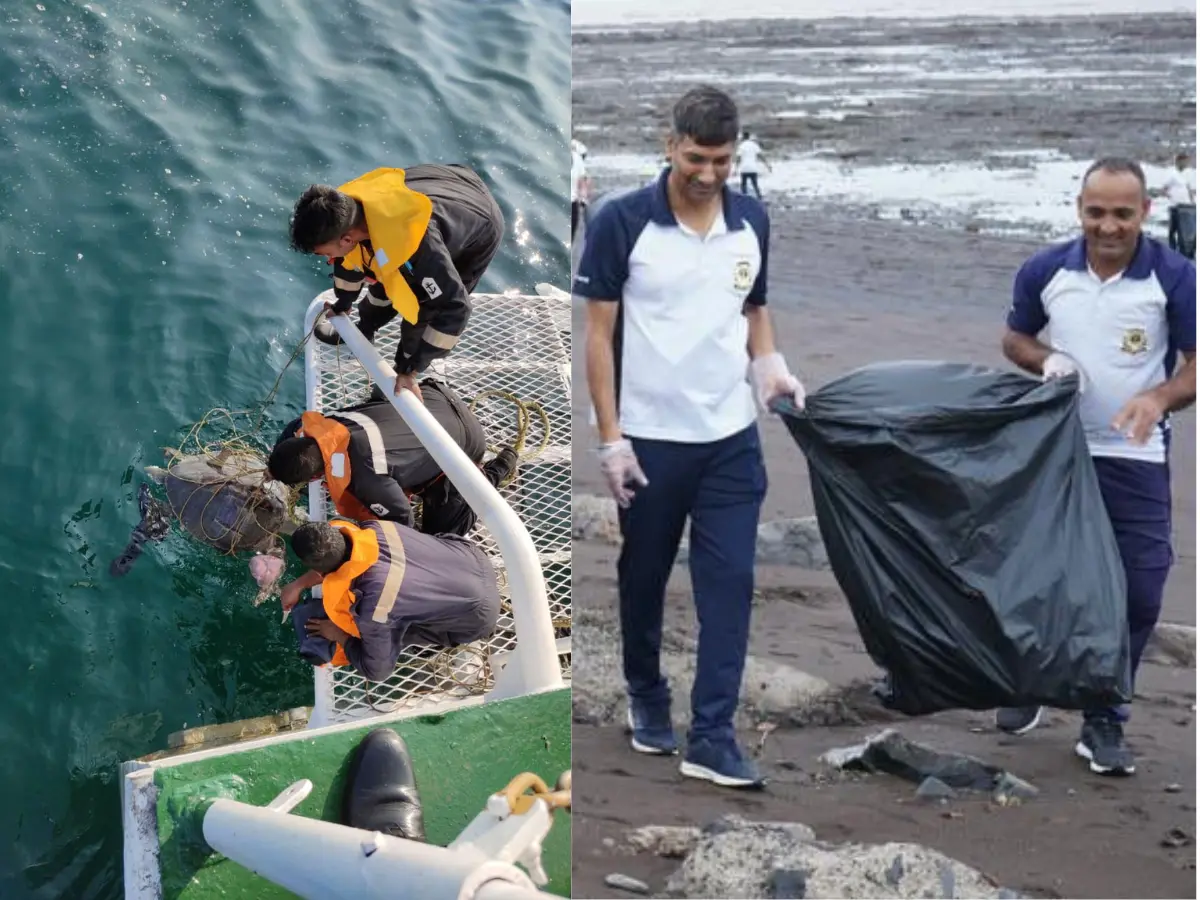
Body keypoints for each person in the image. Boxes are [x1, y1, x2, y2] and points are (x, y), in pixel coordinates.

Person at [575, 85, 806, 790]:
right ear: (670, 144)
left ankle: (711, 735)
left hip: (731, 439)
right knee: (642, 578)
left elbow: (754, 310)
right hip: (649, 441)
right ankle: (646, 694)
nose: (708, 174)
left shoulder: (752, 221)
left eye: (722, 160)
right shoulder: (620, 221)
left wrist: (768, 365)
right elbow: (598, 336)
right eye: (697, 158)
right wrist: (611, 440)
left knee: (730, 584)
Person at [999, 156, 1196, 776]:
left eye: (1121, 213)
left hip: (1134, 454)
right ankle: (1030, 686)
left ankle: (1104, 717)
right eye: (1095, 212)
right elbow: (1015, 337)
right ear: (1079, 209)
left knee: (1138, 594)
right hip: (1055, 448)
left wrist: (1157, 397)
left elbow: (1194, 363)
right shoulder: (1046, 269)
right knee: (1041, 580)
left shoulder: (1174, 276)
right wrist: (1046, 361)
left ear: (1145, 212)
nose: (1107, 226)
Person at [288, 165, 506, 400]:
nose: (328, 260)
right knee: (386, 270)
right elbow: (349, 259)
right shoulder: (343, 211)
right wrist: (343, 303)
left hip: (479, 219)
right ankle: (366, 328)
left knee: (425, 302)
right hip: (443, 181)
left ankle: (404, 375)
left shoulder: (419, 246)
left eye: (325, 255)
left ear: (347, 238)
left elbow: (455, 307)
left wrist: (410, 368)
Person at [267, 381, 518, 537]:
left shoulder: (366, 479)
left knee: (440, 536)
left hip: (466, 442)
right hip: (435, 398)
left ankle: (495, 471)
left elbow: (402, 523)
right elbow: (294, 429)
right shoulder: (322, 424)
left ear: (314, 476)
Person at [285, 517, 502, 683]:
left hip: (479, 617)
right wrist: (298, 584)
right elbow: (342, 560)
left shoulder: (374, 607)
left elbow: (377, 671)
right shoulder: (373, 528)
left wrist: (338, 634)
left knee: (389, 628)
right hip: (475, 559)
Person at [1162, 152, 1195, 259]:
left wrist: (1192, 201)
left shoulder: (1186, 175)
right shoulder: (1172, 174)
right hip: (1175, 206)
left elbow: (1189, 189)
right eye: (1183, 161)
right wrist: (1172, 197)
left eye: (1186, 161)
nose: (1185, 163)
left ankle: (1183, 251)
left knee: (1183, 230)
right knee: (1173, 230)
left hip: (1186, 207)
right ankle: (1171, 250)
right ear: (1178, 162)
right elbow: (1164, 189)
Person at [735, 131, 769, 200]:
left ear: (743, 137)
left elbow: (738, 158)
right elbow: (761, 156)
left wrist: (736, 168)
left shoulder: (741, 146)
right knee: (755, 184)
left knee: (743, 184)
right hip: (753, 168)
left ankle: (744, 198)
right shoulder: (754, 145)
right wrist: (767, 165)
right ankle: (759, 197)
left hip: (744, 168)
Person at [571, 140, 591, 240]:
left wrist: (583, 199)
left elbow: (583, 182)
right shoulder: (577, 156)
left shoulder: (577, 158)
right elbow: (583, 182)